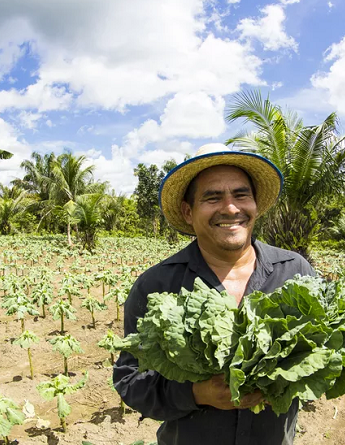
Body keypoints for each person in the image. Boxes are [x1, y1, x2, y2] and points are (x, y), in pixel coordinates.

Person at [113, 143, 316, 445]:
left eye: (241, 194)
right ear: (188, 211)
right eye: (212, 197)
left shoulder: (295, 271)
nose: (231, 208)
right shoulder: (156, 285)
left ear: (255, 204)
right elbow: (130, 380)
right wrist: (198, 393)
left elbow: (322, 353)